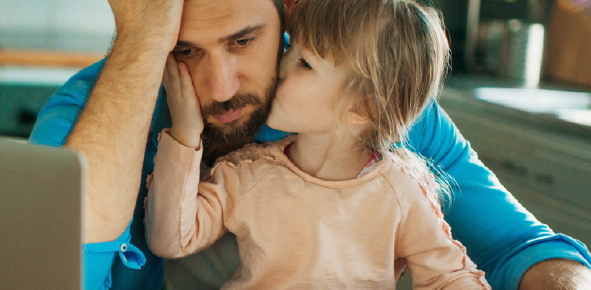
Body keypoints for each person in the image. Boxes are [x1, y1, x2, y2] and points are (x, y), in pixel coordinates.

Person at [29, 0, 591, 289]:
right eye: (182, 51)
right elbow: (53, 277)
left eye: (243, 41)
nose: (220, 87)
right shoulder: (87, 114)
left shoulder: (359, 98)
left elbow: (521, 246)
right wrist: (143, 38)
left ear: (288, 15)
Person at [144, 0, 489, 288]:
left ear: (362, 107)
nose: (280, 67)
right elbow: (170, 239)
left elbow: (449, 277)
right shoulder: (246, 174)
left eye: (304, 63)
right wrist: (185, 133)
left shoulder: (401, 192)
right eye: (290, 50)